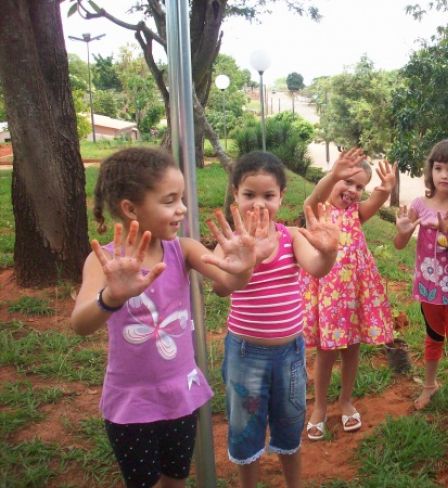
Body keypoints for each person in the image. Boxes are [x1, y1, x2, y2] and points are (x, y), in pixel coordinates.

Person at [70, 147, 262, 488]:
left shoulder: (183, 249)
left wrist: (244, 268)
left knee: (175, 479)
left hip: (180, 395)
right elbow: (80, 324)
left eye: (182, 198)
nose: (183, 209)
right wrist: (111, 296)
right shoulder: (105, 263)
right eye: (170, 200)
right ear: (131, 209)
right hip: (132, 405)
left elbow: (227, 282)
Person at [219, 151, 339, 488]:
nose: (259, 204)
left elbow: (317, 267)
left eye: (268, 196)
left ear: (281, 197)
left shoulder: (291, 237)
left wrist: (329, 252)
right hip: (245, 355)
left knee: (289, 425)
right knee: (245, 430)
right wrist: (243, 261)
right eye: (249, 195)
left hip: (289, 354)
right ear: (235, 194)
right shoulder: (231, 242)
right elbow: (218, 287)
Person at [301, 148, 397, 441]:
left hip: (355, 295)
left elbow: (377, 200)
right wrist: (333, 175)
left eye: (359, 187)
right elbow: (313, 197)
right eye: (347, 182)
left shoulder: (356, 213)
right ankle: (319, 407)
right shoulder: (318, 210)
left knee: (352, 350)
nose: (353, 190)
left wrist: (385, 188)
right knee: (326, 352)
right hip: (328, 294)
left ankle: (345, 400)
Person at [394, 139, 448, 415]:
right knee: (432, 336)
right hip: (429, 287)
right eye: (438, 167)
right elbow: (399, 244)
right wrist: (404, 230)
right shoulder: (419, 204)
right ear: (430, 170)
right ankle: (429, 385)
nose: (443, 175)